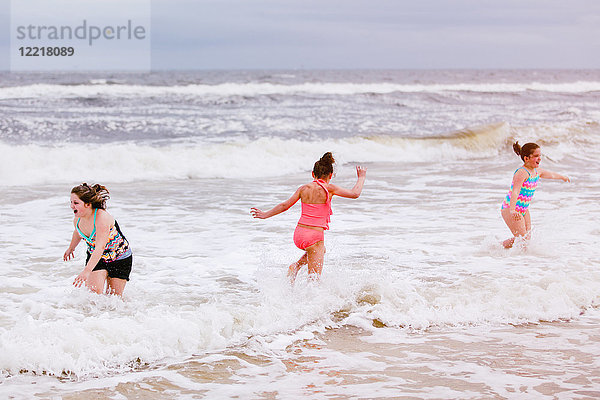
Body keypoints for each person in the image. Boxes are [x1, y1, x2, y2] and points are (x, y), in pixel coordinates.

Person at [251, 152, 366, 283]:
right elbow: (355, 193)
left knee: (322, 250)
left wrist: (265, 215)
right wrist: (361, 177)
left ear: (313, 174)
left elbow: (284, 205)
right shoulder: (329, 188)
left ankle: (296, 266)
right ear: (330, 175)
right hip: (314, 236)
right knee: (314, 281)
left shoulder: (303, 188)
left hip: (299, 234)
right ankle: (309, 301)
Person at [64, 183, 133, 295]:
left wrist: (86, 271)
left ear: (87, 204)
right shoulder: (77, 220)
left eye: (76, 203)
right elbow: (77, 232)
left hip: (120, 258)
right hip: (97, 258)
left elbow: (100, 247)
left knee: (113, 299)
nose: (72, 206)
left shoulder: (101, 218)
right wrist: (71, 248)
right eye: (71, 202)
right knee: (93, 294)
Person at [501, 142, 570, 248]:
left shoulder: (537, 171)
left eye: (540, 155)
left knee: (526, 239)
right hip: (511, 208)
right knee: (523, 241)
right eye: (536, 156)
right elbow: (515, 191)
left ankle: (499, 248)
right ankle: (501, 250)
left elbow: (551, 175)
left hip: (524, 209)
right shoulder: (521, 172)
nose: (539, 158)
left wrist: (562, 177)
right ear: (526, 158)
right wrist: (512, 210)